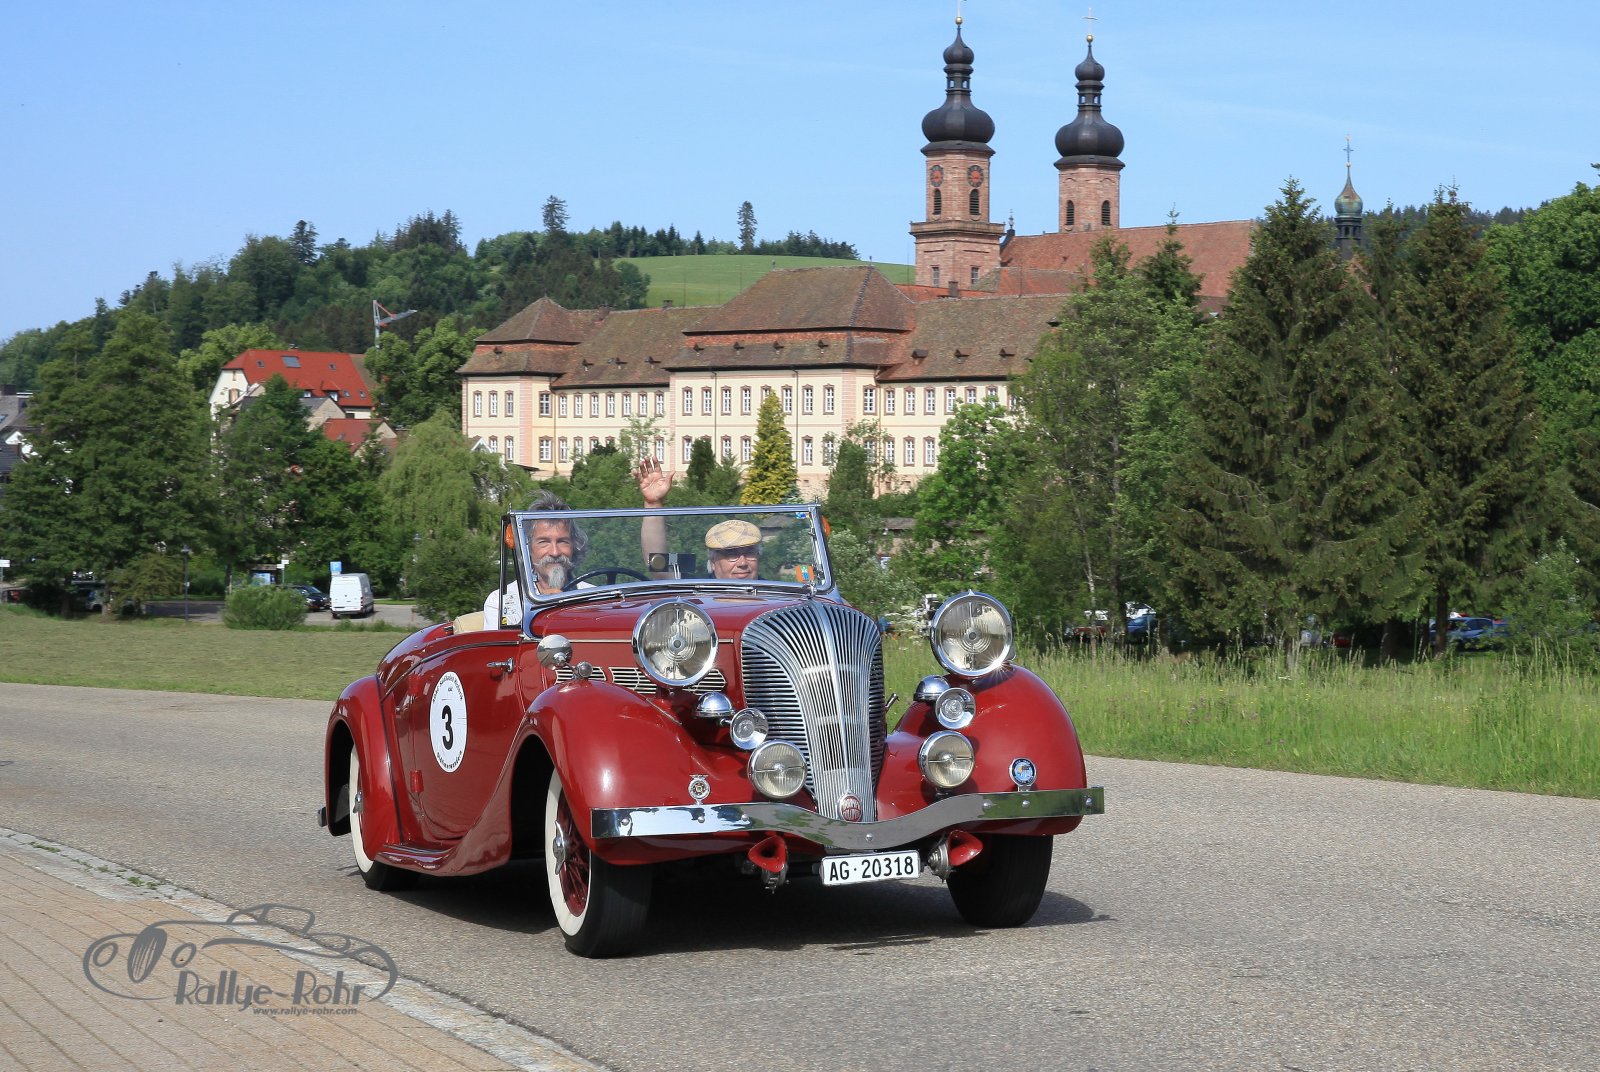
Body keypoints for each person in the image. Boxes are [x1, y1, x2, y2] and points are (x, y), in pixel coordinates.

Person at [635, 458, 763, 580]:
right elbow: (659, 568)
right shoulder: (698, 589)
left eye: (750, 553)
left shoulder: (772, 591)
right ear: (713, 562)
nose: (742, 563)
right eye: (732, 554)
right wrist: (653, 504)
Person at [483, 491, 589, 626]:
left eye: (563, 541)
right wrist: (543, 611)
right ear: (527, 548)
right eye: (544, 542)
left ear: (574, 545)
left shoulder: (595, 597)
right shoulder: (501, 604)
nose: (555, 552)